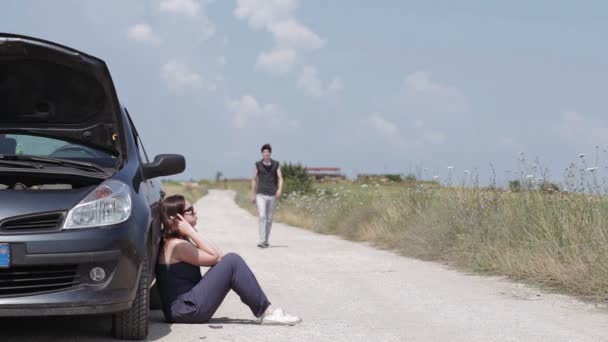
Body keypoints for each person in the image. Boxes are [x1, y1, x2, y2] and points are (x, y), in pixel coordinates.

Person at [155, 194, 301, 325]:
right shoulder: (177, 245)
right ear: (178, 219)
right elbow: (216, 257)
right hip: (186, 310)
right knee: (233, 261)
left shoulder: (177, 241)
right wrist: (191, 232)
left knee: (229, 260)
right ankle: (266, 312)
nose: (196, 212)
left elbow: (219, 255)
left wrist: (192, 232)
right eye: (191, 210)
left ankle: (266, 310)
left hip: (184, 309)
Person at [251, 143, 283, 248]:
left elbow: (280, 178)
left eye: (268, 152)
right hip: (260, 194)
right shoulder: (257, 165)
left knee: (269, 219)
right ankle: (261, 240)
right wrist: (253, 194)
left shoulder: (276, 164)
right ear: (262, 154)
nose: (266, 154)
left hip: (272, 194)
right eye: (264, 152)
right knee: (262, 216)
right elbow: (253, 179)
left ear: (270, 153)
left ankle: (266, 240)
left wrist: (279, 189)